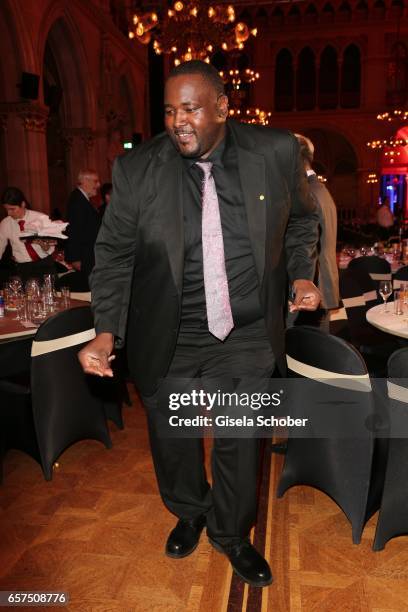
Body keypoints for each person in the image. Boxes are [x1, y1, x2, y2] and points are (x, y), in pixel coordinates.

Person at [78, 61, 320, 588]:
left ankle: (232, 535)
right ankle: (189, 510)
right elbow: (114, 255)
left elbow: (303, 219)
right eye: (169, 110)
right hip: (171, 331)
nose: (177, 121)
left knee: (239, 437)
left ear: (223, 108)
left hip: (248, 331)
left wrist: (301, 274)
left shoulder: (275, 153)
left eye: (189, 108)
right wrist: (105, 330)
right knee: (174, 438)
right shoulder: (139, 170)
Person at [295, 134, 339, 327]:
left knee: (309, 353)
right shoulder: (319, 189)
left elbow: (307, 245)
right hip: (322, 281)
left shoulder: (307, 194)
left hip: (314, 283)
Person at [0, 186, 57, 280]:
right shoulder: (5, 224)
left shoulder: (40, 218)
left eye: (12, 209)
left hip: (45, 265)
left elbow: (50, 248)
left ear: (22, 204)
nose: (9, 213)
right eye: (6, 209)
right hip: (23, 268)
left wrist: (43, 244)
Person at [64, 169, 101, 285]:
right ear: (85, 181)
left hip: (88, 255)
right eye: (95, 181)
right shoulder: (78, 201)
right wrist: (75, 258)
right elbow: (74, 230)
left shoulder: (82, 199)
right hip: (84, 256)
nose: (98, 185)